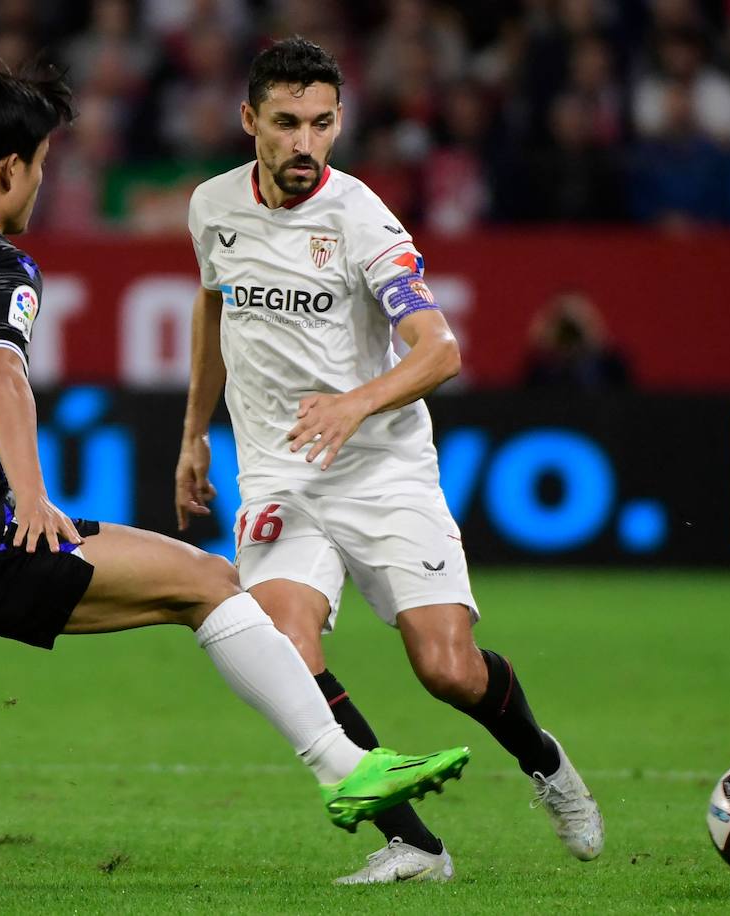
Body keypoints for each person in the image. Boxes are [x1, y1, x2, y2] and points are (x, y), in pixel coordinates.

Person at [0, 67, 469, 890]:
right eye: (42, 164)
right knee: (207, 583)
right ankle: (344, 767)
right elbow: (1, 376)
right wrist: (28, 494)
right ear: (11, 167)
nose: (42, 182)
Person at [175, 38, 604, 886]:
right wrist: (194, 431)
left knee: (447, 669)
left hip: (382, 468)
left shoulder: (362, 217)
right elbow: (213, 306)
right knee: (285, 654)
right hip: (280, 477)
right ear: (249, 119)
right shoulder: (213, 207)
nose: (306, 143)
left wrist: (352, 404)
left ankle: (546, 762)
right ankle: (414, 845)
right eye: (288, 123)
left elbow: (438, 350)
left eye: (323, 124)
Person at [522, 292, 633, 390]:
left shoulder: (612, 364)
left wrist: (600, 344)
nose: (570, 332)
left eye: (578, 316)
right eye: (564, 318)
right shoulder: (539, 367)